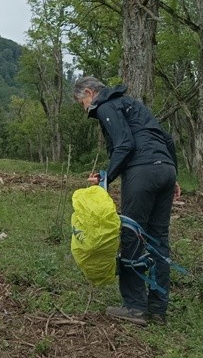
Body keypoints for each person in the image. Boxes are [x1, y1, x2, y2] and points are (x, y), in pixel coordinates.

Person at [73, 75, 181, 326]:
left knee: (132, 235)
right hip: (165, 169)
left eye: (82, 103)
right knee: (158, 239)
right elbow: (167, 139)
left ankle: (135, 307)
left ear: (89, 93)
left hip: (142, 172)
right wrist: (172, 173)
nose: (85, 109)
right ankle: (158, 309)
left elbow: (125, 145)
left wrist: (105, 180)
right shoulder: (133, 105)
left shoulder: (107, 105)